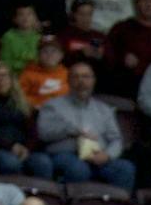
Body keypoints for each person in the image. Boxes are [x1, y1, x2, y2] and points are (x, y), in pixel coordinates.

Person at [36, 62, 135, 190]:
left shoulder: (104, 109)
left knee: (125, 168)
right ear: (68, 81)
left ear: (93, 81)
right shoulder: (53, 105)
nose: (81, 81)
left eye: (86, 77)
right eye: (76, 77)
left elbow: (116, 139)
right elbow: (43, 133)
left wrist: (107, 155)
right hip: (67, 155)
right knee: (79, 169)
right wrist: (71, 131)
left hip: (99, 157)